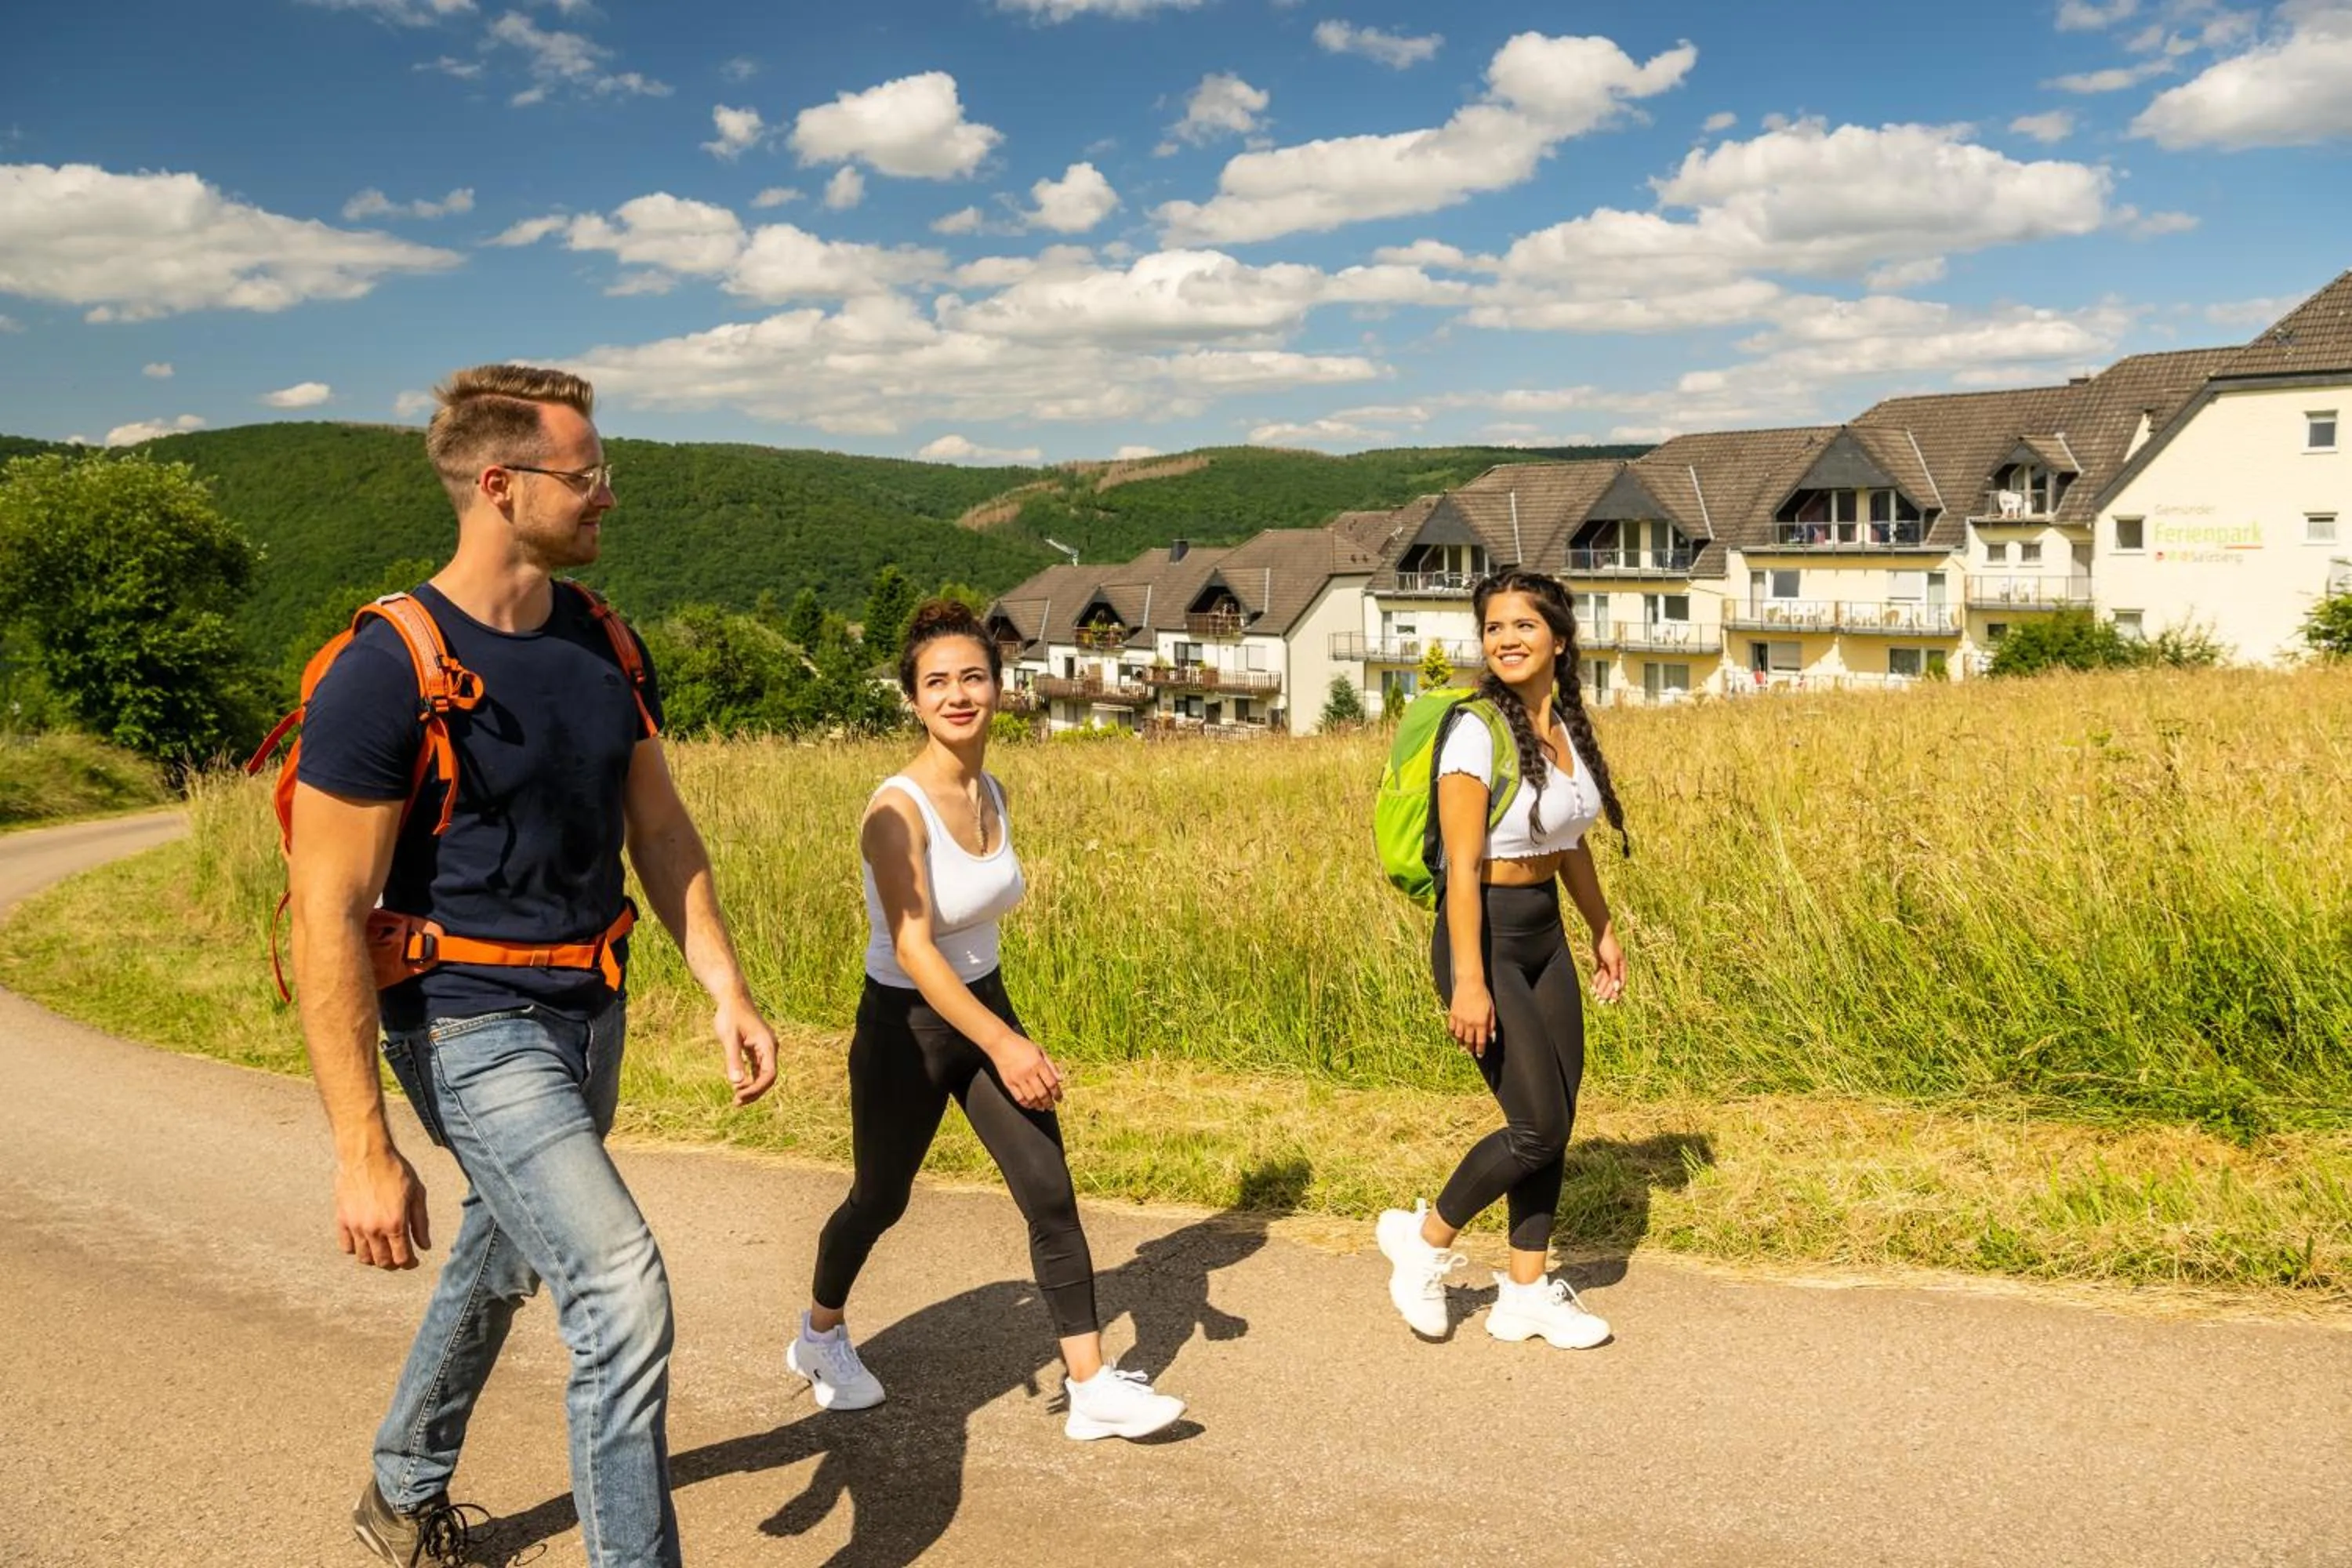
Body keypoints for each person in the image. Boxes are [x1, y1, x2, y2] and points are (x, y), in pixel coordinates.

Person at [287, 364, 779, 1568]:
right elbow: (327, 915)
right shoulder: (385, 667)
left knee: (502, 1255)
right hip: (462, 1021)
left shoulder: (605, 641)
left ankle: (401, 1488)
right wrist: (362, 1147)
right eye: (588, 474)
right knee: (618, 1287)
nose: (607, 494)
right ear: (500, 487)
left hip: (588, 1013)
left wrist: (724, 984)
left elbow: (657, 829)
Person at [789, 600, 1185, 1442]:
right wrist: (1003, 1042)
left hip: (983, 1002)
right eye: (938, 682)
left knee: (1049, 1190)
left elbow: (973, 935)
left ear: (1001, 688)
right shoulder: (894, 810)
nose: (958, 694)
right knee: (879, 1197)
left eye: (974, 676)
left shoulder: (991, 788)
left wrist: (998, 1028)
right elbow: (918, 949)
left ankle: (1091, 1387)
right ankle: (819, 1333)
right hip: (907, 1024)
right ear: (913, 699)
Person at [1374, 568, 1629, 1348]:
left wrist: (1601, 927)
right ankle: (1424, 1244)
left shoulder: (1566, 727)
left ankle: (1524, 1292)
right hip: (1481, 933)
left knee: (1556, 1118)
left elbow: (1569, 841)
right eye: (1494, 627)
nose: (1508, 639)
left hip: (1545, 932)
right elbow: (1461, 868)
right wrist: (1471, 982)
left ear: (1559, 636)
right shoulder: (1475, 730)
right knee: (1535, 1125)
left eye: (1523, 624)